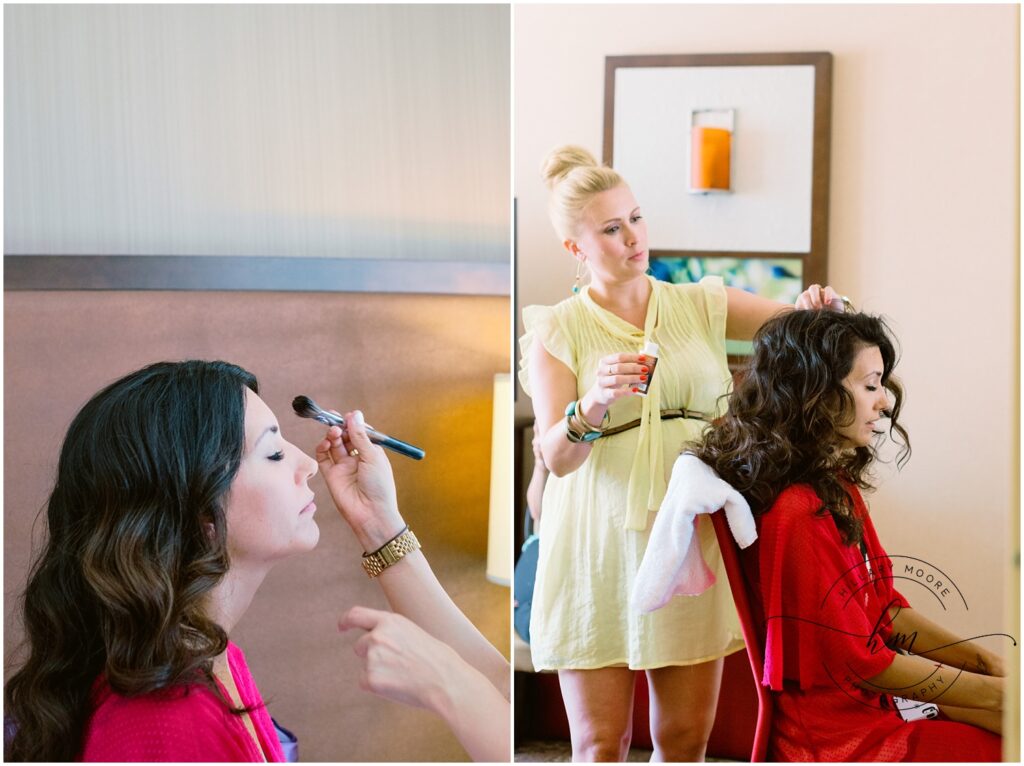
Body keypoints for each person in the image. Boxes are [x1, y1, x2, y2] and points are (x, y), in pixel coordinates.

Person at [4, 360, 508, 762]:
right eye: (273, 454)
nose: (310, 465)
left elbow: (503, 698)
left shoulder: (211, 657)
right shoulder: (168, 727)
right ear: (200, 512)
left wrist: (450, 680)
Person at [518, 144, 844, 761]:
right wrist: (592, 403)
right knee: (598, 743)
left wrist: (820, 309)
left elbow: (800, 326)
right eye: (611, 229)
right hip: (594, 542)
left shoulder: (699, 304)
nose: (633, 238)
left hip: (686, 535)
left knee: (684, 740)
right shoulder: (557, 329)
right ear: (576, 249)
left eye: (636, 218)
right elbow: (556, 458)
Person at [692, 309, 1005, 761]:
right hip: (840, 738)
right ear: (815, 392)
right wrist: (997, 695)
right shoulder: (796, 512)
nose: (883, 402)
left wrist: (991, 666)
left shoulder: (833, 485)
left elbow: (886, 610)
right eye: (869, 385)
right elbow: (859, 662)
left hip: (876, 705)